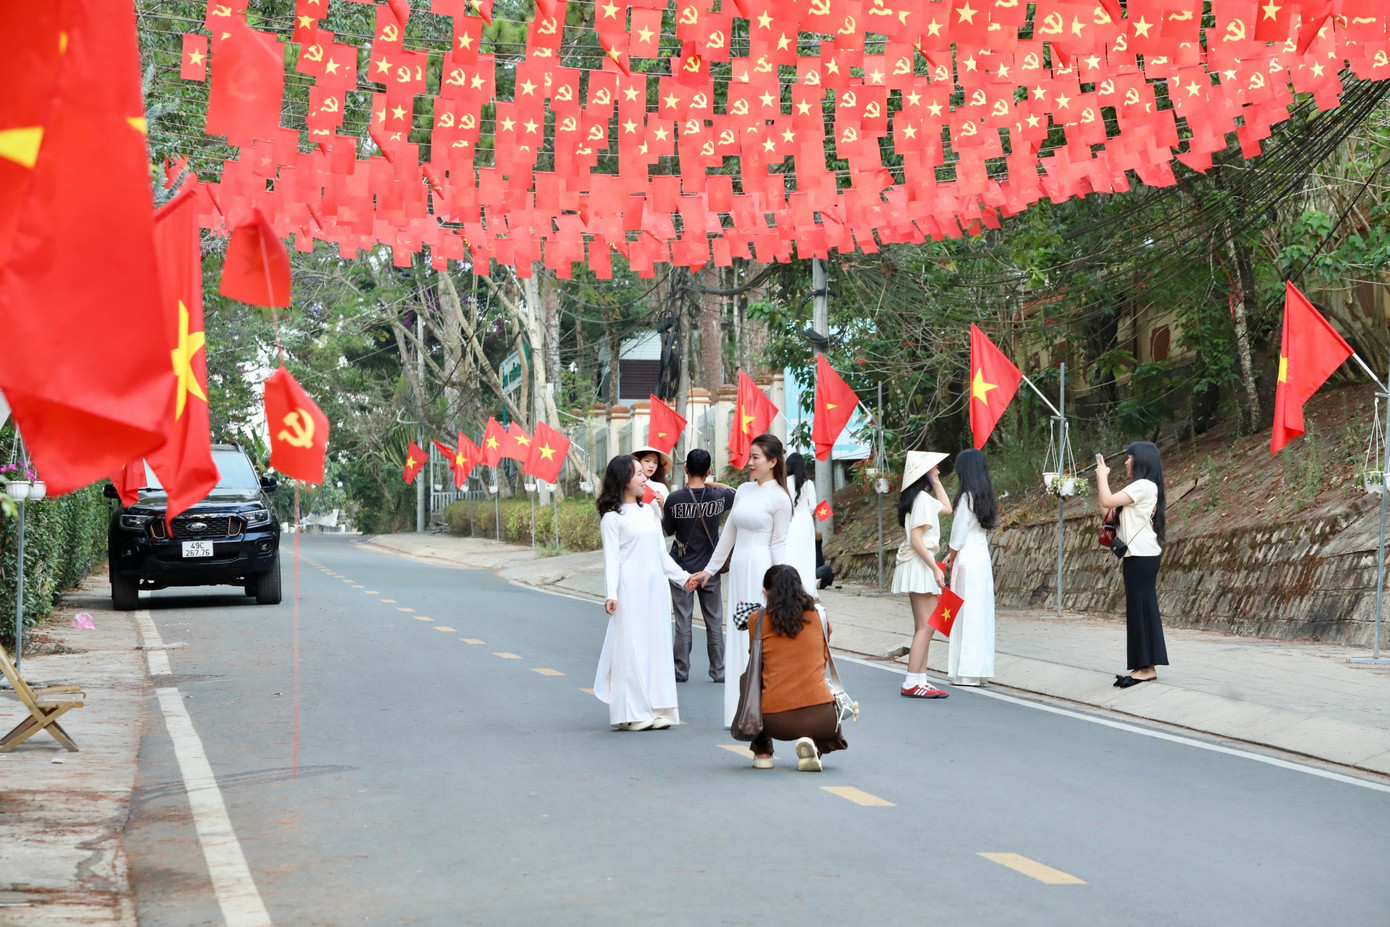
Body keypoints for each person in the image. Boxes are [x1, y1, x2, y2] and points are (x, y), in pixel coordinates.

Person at [594, 455, 701, 731]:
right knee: (632, 647)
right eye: (639, 474)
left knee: (655, 646)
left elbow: (660, 554)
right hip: (630, 589)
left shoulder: (649, 511)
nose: (645, 478)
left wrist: (683, 578)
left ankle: (655, 707)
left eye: (644, 473)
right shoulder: (612, 518)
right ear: (622, 481)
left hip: (655, 589)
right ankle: (630, 713)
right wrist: (611, 594)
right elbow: (612, 560)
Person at [702, 433, 793, 726]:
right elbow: (728, 534)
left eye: (756, 457)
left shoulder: (780, 497)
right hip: (739, 570)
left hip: (760, 571)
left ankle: (760, 709)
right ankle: (737, 711)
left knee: (756, 636)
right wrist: (709, 570)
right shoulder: (742, 490)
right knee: (739, 635)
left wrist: (783, 584)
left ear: (772, 461)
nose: (750, 462)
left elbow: (778, 544)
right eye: (750, 456)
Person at [744, 564, 847, 772]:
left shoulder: (757, 619)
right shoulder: (820, 616)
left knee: (749, 679)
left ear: (765, 591)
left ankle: (763, 752)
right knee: (814, 683)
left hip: (774, 720)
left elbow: (757, 666)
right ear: (800, 588)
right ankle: (812, 744)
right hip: (821, 718)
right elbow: (822, 660)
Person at [1096, 442, 1168, 688]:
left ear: (1141, 460)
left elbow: (1107, 500)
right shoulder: (1142, 487)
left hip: (1142, 556)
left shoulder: (1144, 485)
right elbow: (1107, 511)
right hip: (1138, 556)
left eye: (1129, 457)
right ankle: (1143, 665)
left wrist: (1102, 476)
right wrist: (1102, 482)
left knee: (1142, 607)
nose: (1126, 462)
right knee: (1139, 608)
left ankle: (1147, 668)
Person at [662, 449, 736, 683]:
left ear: (685, 469)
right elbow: (733, 492)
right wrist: (711, 481)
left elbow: (668, 530)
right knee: (714, 621)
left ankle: (681, 671)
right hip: (710, 570)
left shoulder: (674, 499)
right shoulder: (717, 497)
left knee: (683, 621)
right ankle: (718, 671)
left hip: (682, 570)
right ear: (708, 470)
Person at [891, 451, 953, 698]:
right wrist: (935, 567)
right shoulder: (923, 500)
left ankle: (919, 679)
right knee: (928, 626)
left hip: (916, 564)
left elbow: (947, 508)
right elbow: (917, 538)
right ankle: (912, 681)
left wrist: (935, 482)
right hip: (921, 564)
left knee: (923, 626)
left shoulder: (916, 499)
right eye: (934, 468)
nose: (938, 471)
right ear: (923, 473)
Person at [940, 448, 997, 687]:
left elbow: (958, 535)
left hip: (966, 560)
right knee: (981, 613)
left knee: (965, 614)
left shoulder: (966, 499)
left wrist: (950, 556)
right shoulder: (986, 496)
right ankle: (980, 671)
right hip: (982, 558)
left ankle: (965, 672)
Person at [785, 452, 820, 598]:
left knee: (790, 552)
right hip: (805, 521)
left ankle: (789, 586)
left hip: (789, 521)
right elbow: (813, 506)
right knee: (807, 555)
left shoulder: (784, 482)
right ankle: (808, 588)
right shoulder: (809, 483)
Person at [632, 445, 672, 517]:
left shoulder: (661, 487)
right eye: (647, 461)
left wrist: (662, 504)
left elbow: (669, 519)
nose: (651, 466)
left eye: (655, 462)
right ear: (638, 462)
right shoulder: (630, 485)